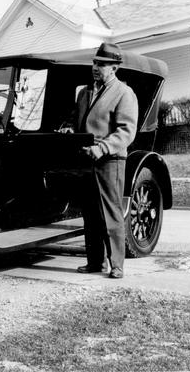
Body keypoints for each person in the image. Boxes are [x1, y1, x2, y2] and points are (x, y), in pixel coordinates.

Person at [61, 42, 139, 279]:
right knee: (91, 214)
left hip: (110, 161)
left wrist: (102, 148)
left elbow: (127, 131)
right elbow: (76, 119)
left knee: (110, 213)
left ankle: (116, 265)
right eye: (95, 62)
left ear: (115, 68)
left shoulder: (124, 93)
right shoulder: (85, 93)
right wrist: (68, 129)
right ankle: (95, 263)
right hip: (87, 160)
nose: (96, 67)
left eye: (102, 64)